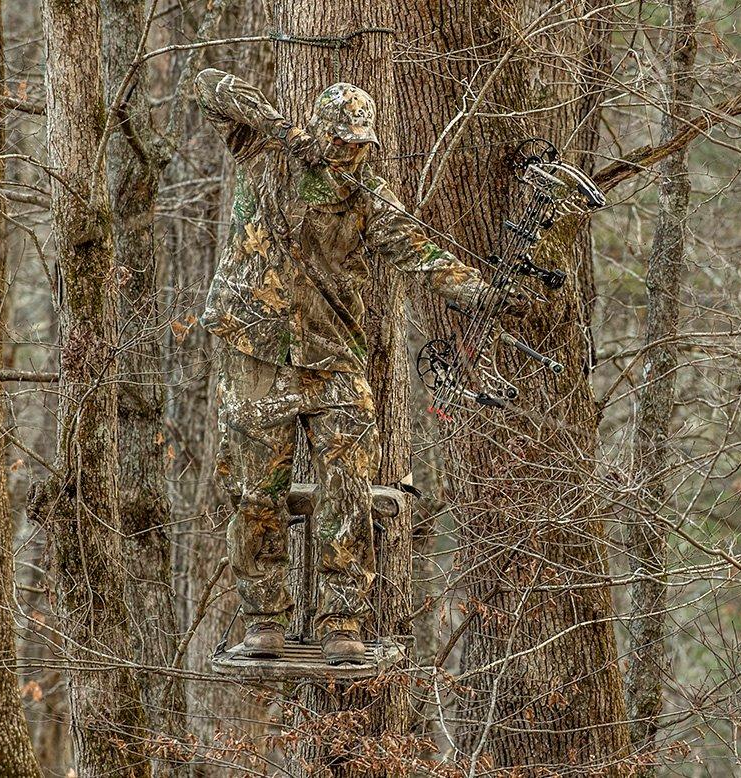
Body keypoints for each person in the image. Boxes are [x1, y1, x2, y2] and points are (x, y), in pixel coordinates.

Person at [194, 68, 526, 664]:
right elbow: (209, 84)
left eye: (359, 142)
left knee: (348, 488)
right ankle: (264, 617)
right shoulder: (267, 153)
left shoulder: (369, 194)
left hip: (332, 356)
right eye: (340, 139)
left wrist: (479, 292)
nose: (349, 151)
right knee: (255, 492)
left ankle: (342, 619)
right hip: (254, 351)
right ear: (321, 133)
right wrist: (280, 129)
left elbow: (418, 251)